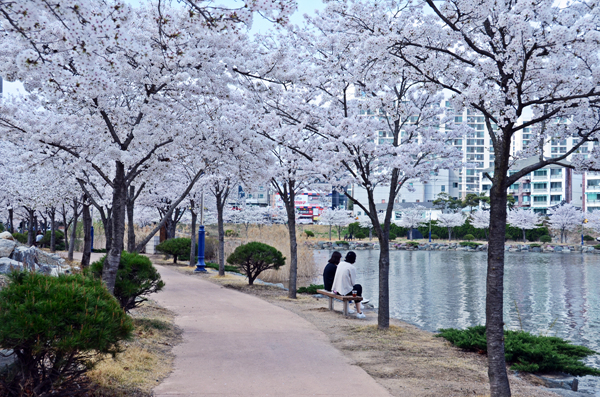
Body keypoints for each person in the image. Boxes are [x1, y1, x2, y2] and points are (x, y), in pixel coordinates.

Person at [332, 251, 365, 319]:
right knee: (358, 287)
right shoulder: (351, 267)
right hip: (343, 292)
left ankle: (355, 306)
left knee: (355, 288)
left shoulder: (340, 264)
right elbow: (353, 283)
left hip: (336, 290)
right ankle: (359, 311)